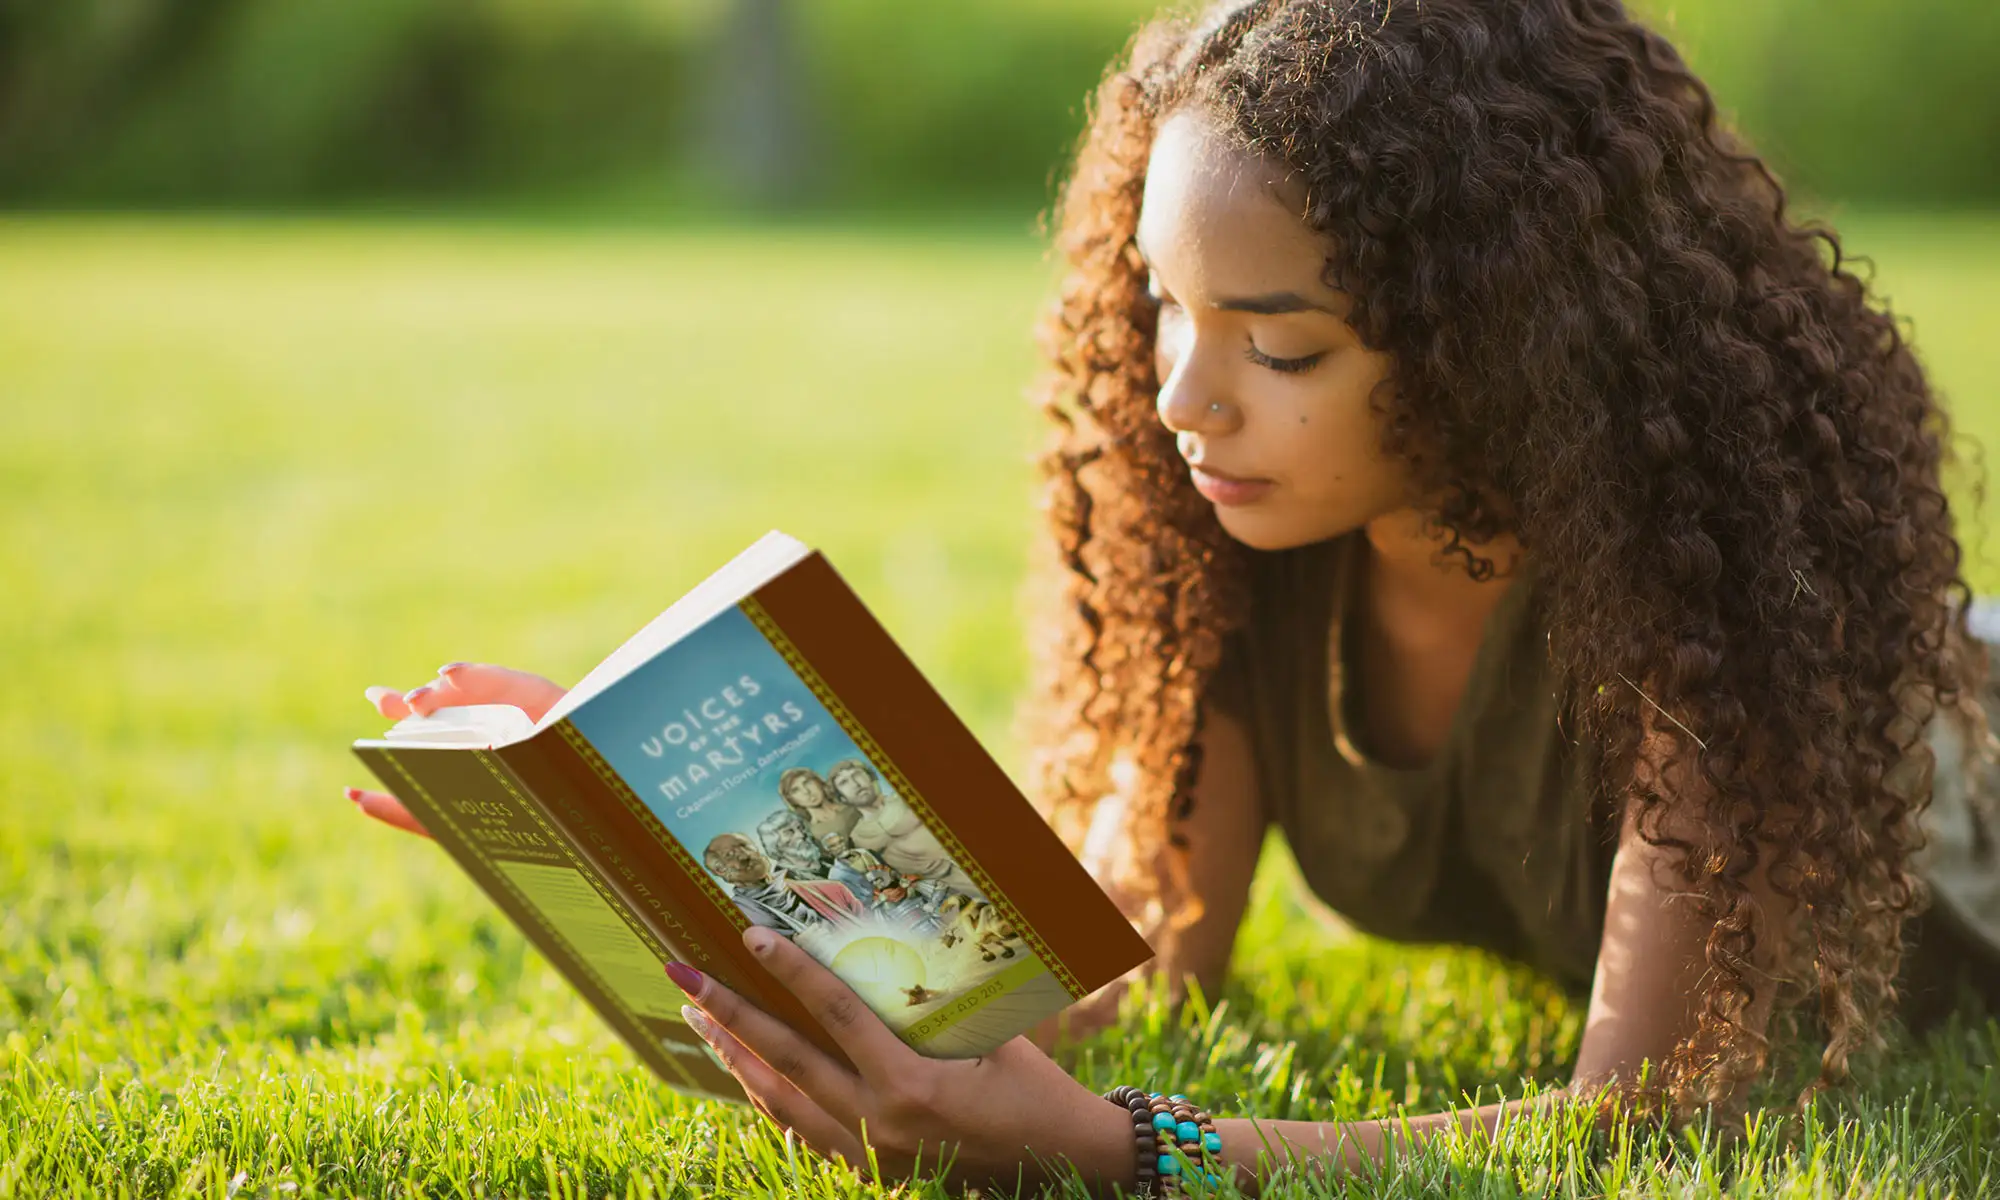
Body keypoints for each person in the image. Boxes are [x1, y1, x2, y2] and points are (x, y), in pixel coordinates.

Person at [347, 0, 2000, 1192]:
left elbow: (1644, 1133)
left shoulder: (1704, 609)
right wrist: (622, 809)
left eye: (1279, 344)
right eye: (1161, 310)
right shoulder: (1256, 548)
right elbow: (1140, 973)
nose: (1182, 399)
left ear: (1501, 348)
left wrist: (1121, 1150)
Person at [828, 759, 982, 898]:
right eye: (844, 782)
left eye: (857, 774)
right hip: (936, 894)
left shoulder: (906, 797)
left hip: (969, 866)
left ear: (871, 777)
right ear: (841, 797)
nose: (855, 783)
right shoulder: (858, 837)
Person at [701, 832, 863, 936]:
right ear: (722, 873)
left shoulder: (833, 890)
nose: (744, 857)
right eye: (729, 856)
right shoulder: (737, 924)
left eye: (744, 846)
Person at [777, 767, 860, 848]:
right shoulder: (809, 834)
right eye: (796, 790)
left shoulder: (852, 806)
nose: (806, 791)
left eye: (807, 783)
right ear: (791, 800)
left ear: (818, 782)